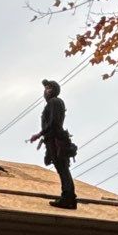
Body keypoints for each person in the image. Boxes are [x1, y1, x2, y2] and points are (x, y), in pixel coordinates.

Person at [29, 78, 79, 209]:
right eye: (45, 88)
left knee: (63, 169)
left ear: (54, 90)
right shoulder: (54, 103)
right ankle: (68, 198)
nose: (46, 91)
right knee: (62, 169)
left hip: (57, 141)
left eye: (49, 88)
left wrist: (39, 134)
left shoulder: (54, 102)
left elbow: (54, 123)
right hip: (55, 140)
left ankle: (68, 198)